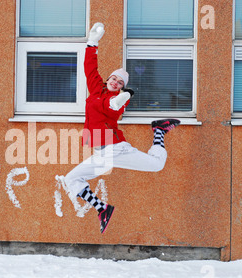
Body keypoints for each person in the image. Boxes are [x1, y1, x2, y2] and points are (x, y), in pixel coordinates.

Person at [63, 22, 180, 234]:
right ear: (108, 79)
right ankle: (103, 208)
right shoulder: (96, 89)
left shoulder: (119, 99)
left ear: (122, 88)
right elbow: (90, 68)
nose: (116, 82)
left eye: (120, 82)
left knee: (156, 165)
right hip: (103, 152)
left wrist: (118, 101)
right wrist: (92, 42)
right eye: (114, 78)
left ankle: (159, 132)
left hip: (114, 148)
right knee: (72, 178)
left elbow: (114, 108)